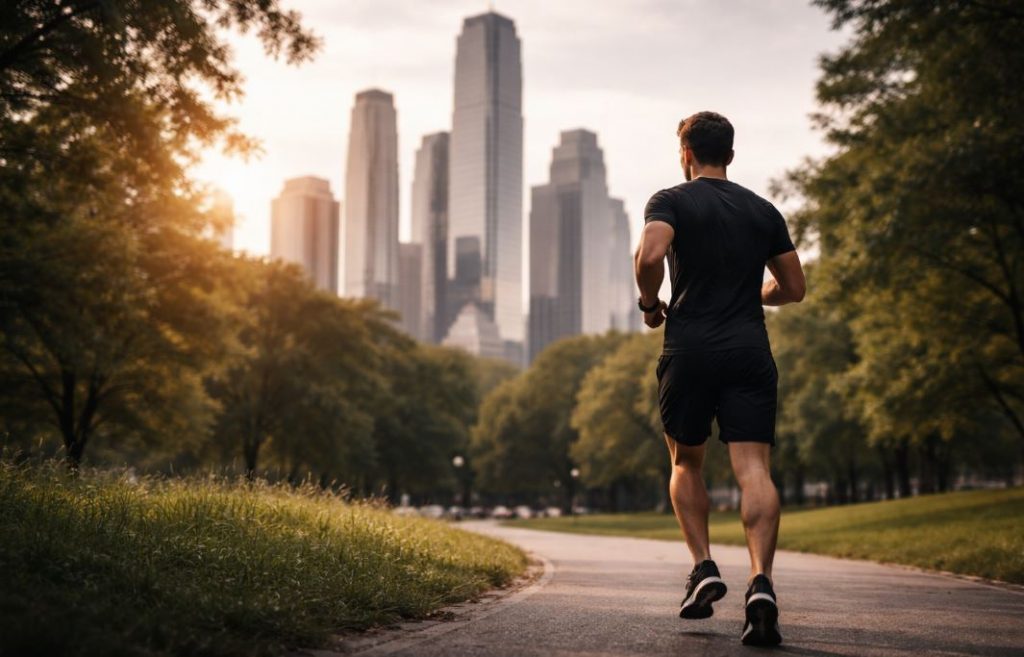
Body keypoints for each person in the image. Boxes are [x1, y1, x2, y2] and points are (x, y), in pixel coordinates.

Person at [633, 111, 805, 647]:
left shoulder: (671, 200)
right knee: (754, 468)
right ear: (730, 154)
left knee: (686, 460)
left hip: (690, 349)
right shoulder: (763, 210)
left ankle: (704, 568)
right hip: (750, 349)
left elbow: (651, 254)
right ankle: (762, 584)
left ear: (686, 153)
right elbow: (794, 287)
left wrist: (648, 302)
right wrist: (757, 296)